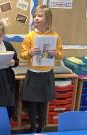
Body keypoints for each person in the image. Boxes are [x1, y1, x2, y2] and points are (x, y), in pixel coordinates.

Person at [20, 5, 62, 133]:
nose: (36, 18)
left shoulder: (55, 36)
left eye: (40, 15)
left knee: (43, 103)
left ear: (47, 19)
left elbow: (60, 53)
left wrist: (57, 54)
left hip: (46, 74)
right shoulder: (30, 36)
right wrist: (29, 53)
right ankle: (33, 127)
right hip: (33, 73)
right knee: (32, 103)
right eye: (35, 16)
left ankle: (41, 127)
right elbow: (22, 53)